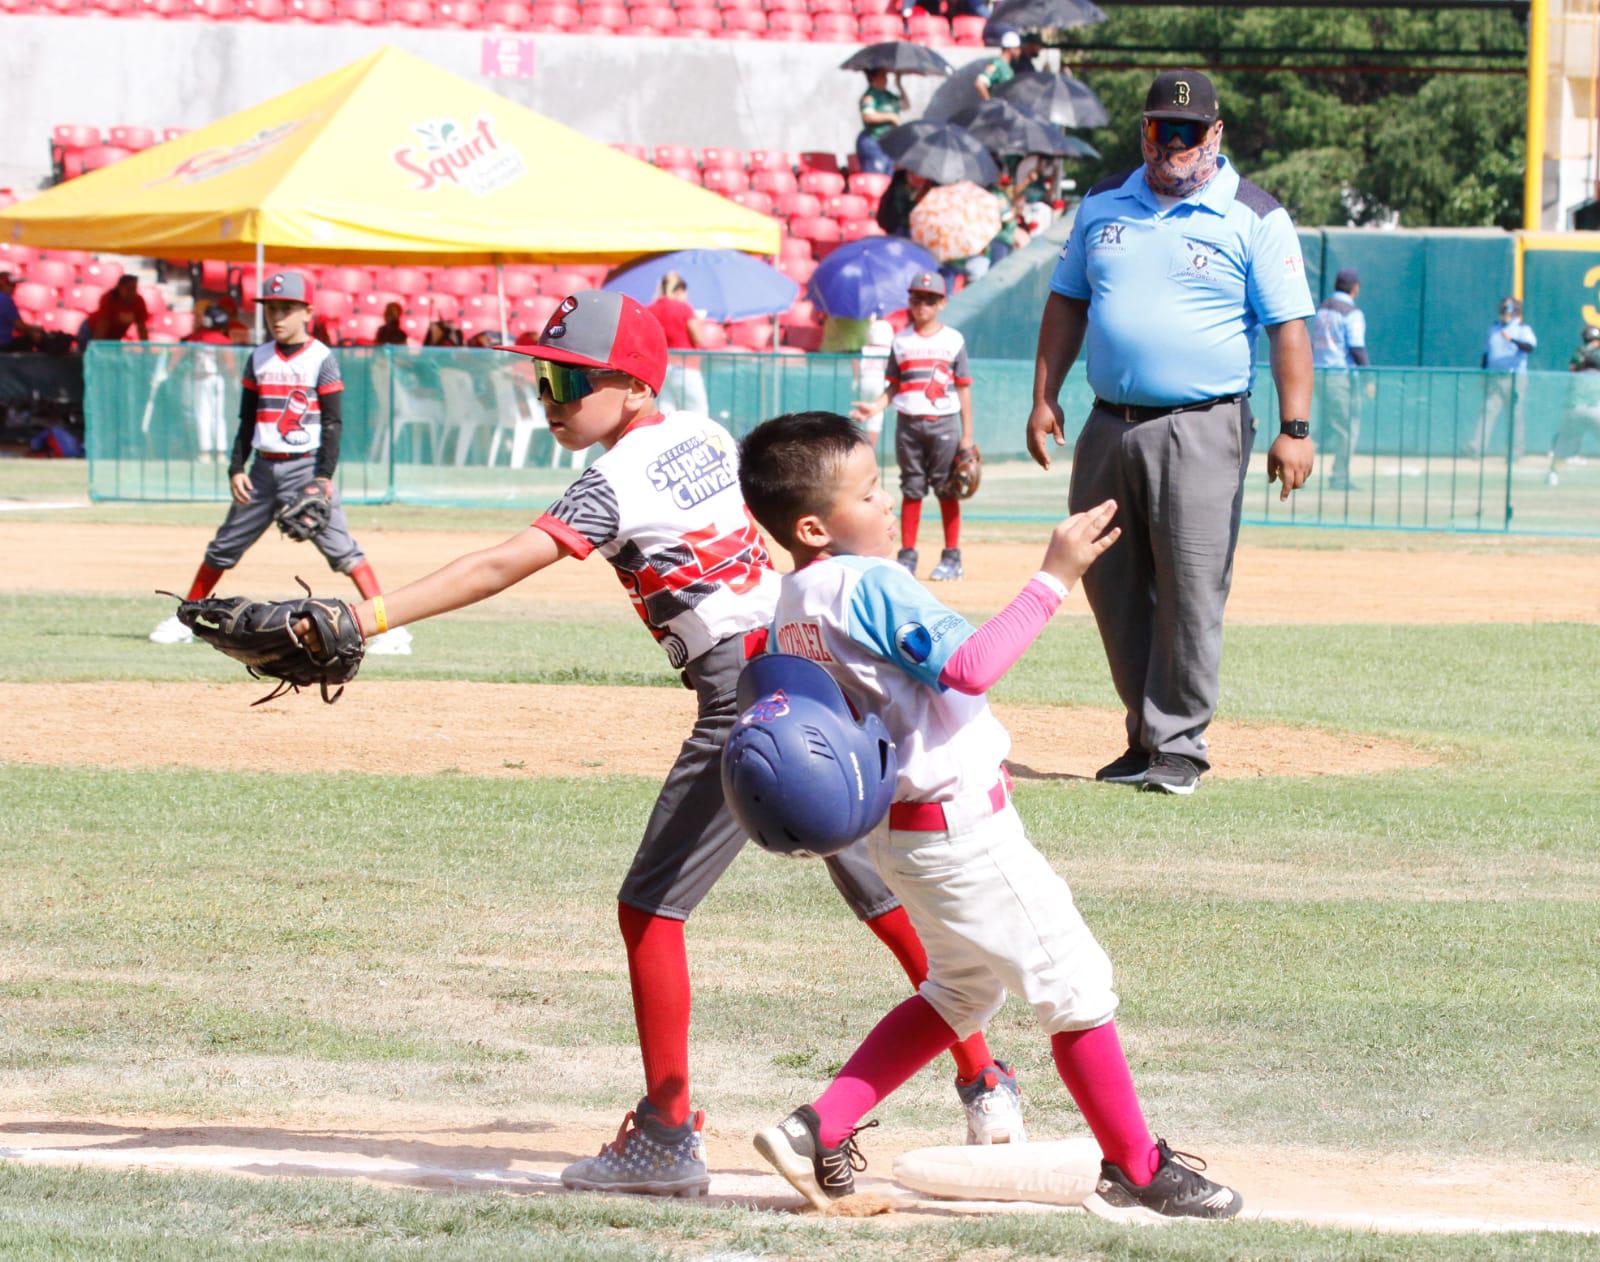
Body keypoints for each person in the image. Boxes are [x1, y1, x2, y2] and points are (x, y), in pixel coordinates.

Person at [287, 291, 1024, 1197]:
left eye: (566, 379)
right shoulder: (707, 435)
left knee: (652, 909)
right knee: (878, 892)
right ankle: (987, 1082)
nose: (549, 395)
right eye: (542, 377)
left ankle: (668, 1132)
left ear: (631, 387)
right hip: (818, 669)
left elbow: (502, 563)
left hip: (745, 698)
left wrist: (369, 614)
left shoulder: (614, 478)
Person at [738, 411, 1243, 1224]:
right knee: (1075, 987)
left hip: (903, 835)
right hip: (962, 831)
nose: (886, 501)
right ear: (812, 525)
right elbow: (971, 668)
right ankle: (1137, 1171)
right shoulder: (867, 579)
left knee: (960, 992)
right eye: (869, 494)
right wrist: (1055, 576)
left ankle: (815, 1129)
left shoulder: (792, 597)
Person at [1026, 68, 1315, 797]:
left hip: (1202, 424)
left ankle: (1180, 744)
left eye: (1188, 131)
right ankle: (1144, 733)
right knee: (1108, 581)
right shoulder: (1102, 204)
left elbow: (1288, 330)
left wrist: (1295, 428)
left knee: (1188, 586)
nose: (1173, 144)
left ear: (1215, 134)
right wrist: (1044, 398)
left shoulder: (1253, 214)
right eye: (1161, 129)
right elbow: (1066, 304)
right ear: (1144, 132)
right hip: (1106, 423)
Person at [149, 270, 412, 655]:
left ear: (307, 311)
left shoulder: (321, 358)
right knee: (223, 548)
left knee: (343, 551)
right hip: (261, 471)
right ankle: (184, 618)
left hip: (305, 468)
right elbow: (246, 418)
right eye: (271, 309)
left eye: (286, 309)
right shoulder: (259, 357)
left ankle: (391, 630)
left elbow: (333, 422)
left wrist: (323, 476)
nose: (277, 317)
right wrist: (236, 468)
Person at [852, 273, 974, 582]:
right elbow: (894, 387)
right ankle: (907, 555)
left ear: (941, 303)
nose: (922, 305)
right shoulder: (901, 341)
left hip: (944, 423)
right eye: (917, 298)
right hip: (908, 423)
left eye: (929, 299)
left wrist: (967, 437)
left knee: (948, 490)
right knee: (911, 490)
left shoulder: (953, 340)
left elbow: (963, 388)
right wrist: (875, 407)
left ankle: (952, 557)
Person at [1309, 267, 1369, 491]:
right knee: (1347, 428)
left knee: (1325, 427)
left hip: (1319, 372)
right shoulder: (1351, 312)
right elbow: (1356, 347)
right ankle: (1339, 476)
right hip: (1339, 376)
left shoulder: (1321, 309)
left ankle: (1296, 468)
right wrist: (1368, 377)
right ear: (1355, 289)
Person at [1466, 297, 1537, 460]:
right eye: (1503, 309)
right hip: (1494, 377)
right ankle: (1476, 448)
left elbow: (1530, 347)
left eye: (1508, 310)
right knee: (1488, 411)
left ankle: (1515, 452)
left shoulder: (1521, 328)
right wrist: (1483, 374)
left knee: (1515, 415)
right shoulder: (1494, 328)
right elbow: (1486, 353)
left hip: (1514, 377)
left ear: (1515, 312)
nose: (1504, 313)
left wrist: (1512, 339)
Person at [644, 271, 710, 418]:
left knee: (666, 412)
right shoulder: (683, 308)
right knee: (697, 413)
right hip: (685, 367)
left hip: (661, 368)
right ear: (680, 290)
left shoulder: (650, 309)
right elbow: (698, 337)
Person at [1548, 324, 1600, 486]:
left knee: (1564, 445)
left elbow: (1573, 367)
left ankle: (1552, 474)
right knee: (1565, 443)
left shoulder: (1579, 355)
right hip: (1593, 408)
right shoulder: (1593, 356)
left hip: (1575, 409)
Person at [182, 305, 234, 462]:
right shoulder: (211, 338)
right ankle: (217, 452)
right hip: (210, 379)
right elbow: (230, 365)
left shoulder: (200, 337)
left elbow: (230, 364)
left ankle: (211, 451)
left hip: (208, 378)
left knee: (207, 415)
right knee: (214, 415)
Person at [856, 69, 910, 177]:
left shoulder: (888, 96)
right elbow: (868, 116)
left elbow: (905, 105)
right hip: (874, 142)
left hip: (888, 144)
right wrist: (890, 117)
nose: (886, 79)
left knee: (889, 176)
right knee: (876, 177)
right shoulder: (869, 96)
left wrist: (899, 85)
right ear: (874, 78)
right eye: (883, 76)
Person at [88, 274, 150, 343]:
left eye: (134, 289)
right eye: (129, 289)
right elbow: (103, 325)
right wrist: (97, 345)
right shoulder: (109, 299)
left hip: (114, 337)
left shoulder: (139, 301)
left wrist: (146, 348)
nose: (132, 293)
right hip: (91, 331)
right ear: (120, 288)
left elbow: (141, 327)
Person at [974, 29, 1023, 101]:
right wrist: (989, 102)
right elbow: (980, 83)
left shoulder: (1007, 66)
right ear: (1011, 49)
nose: (1019, 51)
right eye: (1017, 48)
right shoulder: (997, 64)